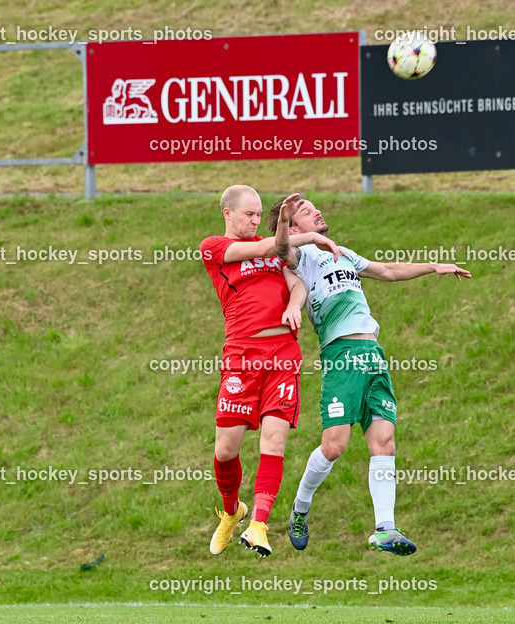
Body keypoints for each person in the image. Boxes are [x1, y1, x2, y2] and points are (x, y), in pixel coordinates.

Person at [267, 194, 470, 555]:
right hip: (341, 356)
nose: (316, 210)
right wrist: (283, 221)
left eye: (313, 206)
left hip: (373, 355)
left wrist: (433, 266)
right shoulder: (302, 258)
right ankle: (300, 509)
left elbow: (387, 271)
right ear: (296, 225)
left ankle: (385, 529)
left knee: (385, 443)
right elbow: (282, 249)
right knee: (334, 447)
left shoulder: (340, 251)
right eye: (305, 210)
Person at [200, 185, 343, 557]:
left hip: (282, 353)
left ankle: (260, 526)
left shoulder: (274, 251)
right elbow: (269, 247)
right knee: (226, 450)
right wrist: (305, 234)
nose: (254, 220)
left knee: (274, 441)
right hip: (242, 356)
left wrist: (295, 305)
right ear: (228, 213)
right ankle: (232, 512)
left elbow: (296, 283)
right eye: (248, 214)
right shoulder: (214, 247)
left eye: (259, 214)